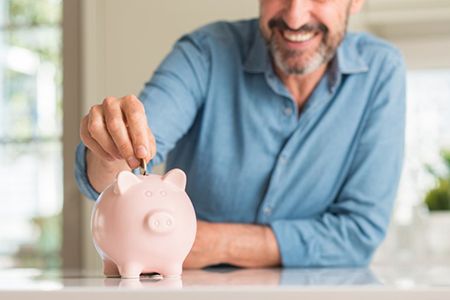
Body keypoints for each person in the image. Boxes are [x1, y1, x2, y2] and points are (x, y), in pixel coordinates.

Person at [75, 0, 406, 268]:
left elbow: (358, 234)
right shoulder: (205, 52)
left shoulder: (381, 71)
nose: (294, 16)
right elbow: (120, 172)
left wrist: (214, 243)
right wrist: (110, 148)